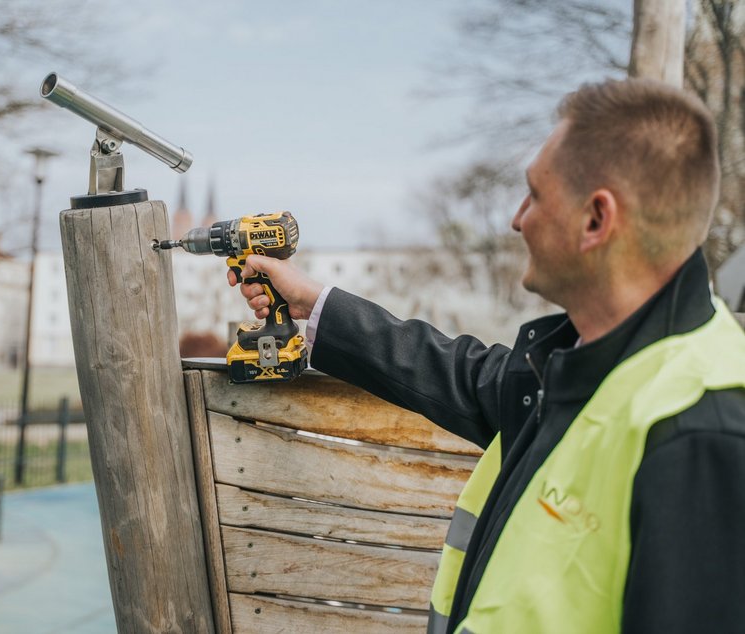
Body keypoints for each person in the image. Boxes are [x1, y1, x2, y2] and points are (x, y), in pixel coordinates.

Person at [229, 78, 745, 633]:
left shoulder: (700, 434)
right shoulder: (592, 358)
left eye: (536, 195)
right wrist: (316, 306)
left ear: (596, 220)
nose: (516, 218)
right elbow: (460, 372)